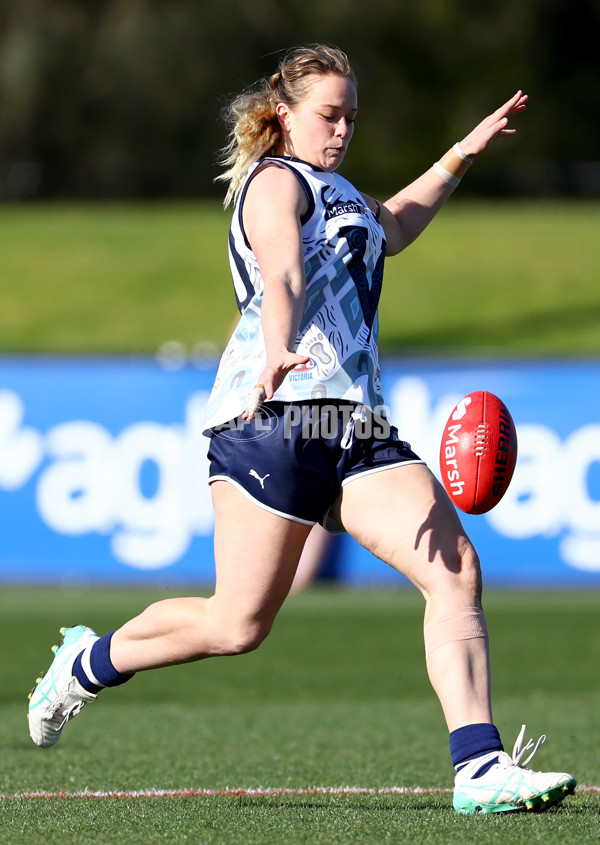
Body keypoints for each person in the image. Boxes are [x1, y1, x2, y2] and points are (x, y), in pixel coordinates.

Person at [28, 44, 576, 815]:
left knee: (455, 572)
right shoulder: (274, 182)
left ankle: (479, 767)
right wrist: (281, 340)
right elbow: (282, 267)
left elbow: (393, 225)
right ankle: (85, 662)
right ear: (284, 113)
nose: (343, 128)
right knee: (237, 622)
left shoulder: (341, 190)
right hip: (273, 418)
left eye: (352, 115)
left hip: (355, 424)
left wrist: (460, 153)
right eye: (329, 114)